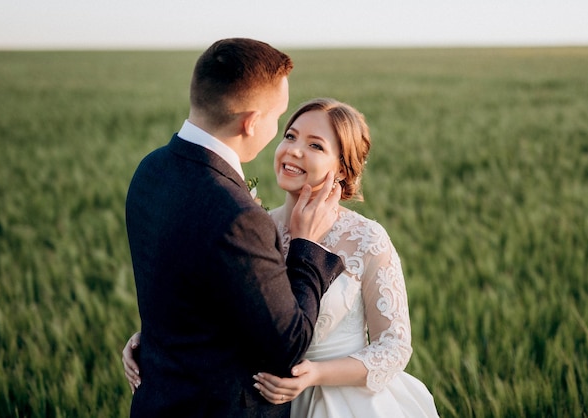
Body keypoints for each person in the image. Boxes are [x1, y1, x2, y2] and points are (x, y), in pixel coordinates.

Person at [124, 98, 440, 417]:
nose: (293, 150)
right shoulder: (254, 226)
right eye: (290, 136)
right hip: (261, 405)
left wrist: (315, 374)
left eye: (315, 145)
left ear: (342, 169)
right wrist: (155, 338)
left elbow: (394, 346)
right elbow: (217, 313)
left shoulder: (366, 239)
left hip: (342, 403)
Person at [124, 39, 345, 418]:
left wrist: (153, 338)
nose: (280, 133)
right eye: (279, 118)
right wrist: (306, 245)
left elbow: (185, 285)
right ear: (251, 122)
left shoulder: (150, 169)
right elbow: (287, 344)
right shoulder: (239, 215)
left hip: (155, 402)